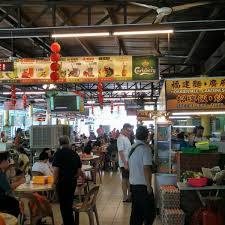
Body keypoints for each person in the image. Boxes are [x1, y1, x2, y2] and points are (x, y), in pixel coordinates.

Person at [128, 126, 156, 225]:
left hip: (133, 185)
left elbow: (129, 167)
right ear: (147, 136)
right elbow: (146, 168)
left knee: (136, 213)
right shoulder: (145, 149)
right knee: (150, 213)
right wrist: (149, 186)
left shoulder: (132, 148)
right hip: (142, 186)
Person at [52, 135, 82, 225]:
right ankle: (69, 222)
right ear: (68, 143)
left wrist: (54, 182)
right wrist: (74, 176)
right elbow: (79, 170)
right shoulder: (74, 153)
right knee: (69, 203)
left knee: (64, 206)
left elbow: (56, 170)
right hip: (72, 182)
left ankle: (68, 222)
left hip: (62, 183)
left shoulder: (58, 153)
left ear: (59, 143)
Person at [0, 151, 25, 217]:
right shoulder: (1, 173)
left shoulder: (2, 172)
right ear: (2, 162)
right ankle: (11, 220)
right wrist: (20, 182)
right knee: (16, 203)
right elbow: (8, 188)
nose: (9, 162)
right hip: (1, 199)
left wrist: (17, 179)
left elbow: (8, 182)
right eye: (7, 160)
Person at [117, 123, 132, 202]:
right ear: (123, 129)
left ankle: (128, 196)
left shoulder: (126, 137)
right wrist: (125, 163)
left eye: (130, 131)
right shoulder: (120, 138)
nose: (129, 132)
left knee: (128, 180)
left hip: (127, 162)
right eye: (128, 130)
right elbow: (121, 152)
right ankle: (125, 197)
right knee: (125, 180)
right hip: (124, 163)